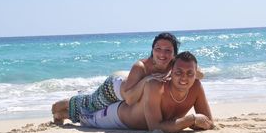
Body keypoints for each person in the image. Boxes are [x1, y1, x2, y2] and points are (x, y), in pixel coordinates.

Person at [52, 32, 180, 124]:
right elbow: (130, 100)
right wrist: (147, 80)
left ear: (174, 54)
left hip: (126, 96)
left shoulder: (174, 65)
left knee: (91, 115)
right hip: (114, 89)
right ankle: (61, 105)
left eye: (168, 50)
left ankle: (62, 115)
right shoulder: (141, 66)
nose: (162, 54)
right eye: (158, 49)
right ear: (152, 50)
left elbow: (197, 72)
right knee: (88, 104)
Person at [78, 51, 214, 133]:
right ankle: (64, 106)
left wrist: (193, 123)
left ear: (195, 73)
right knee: (80, 114)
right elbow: (155, 127)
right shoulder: (155, 86)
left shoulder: (196, 86)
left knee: (80, 111)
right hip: (117, 117)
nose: (184, 77)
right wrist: (191, 120)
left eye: (190, 73)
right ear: (171, 72)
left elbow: (208, 123)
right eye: (178, 72)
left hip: (124, 102)